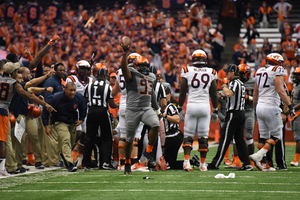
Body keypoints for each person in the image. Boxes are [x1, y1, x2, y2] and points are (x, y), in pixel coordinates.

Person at [0, 61, 55, 176]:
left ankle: (15, 164)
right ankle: (8, 167)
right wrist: (45, 104)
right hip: (6, 113)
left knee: (16, 141)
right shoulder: (15, 84)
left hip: (13, 115)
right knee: (6, 141)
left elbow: (31, 87)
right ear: (13, 73)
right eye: (17, 73)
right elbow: (28, 94)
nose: (20, 77)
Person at [120, 41, 161, 174]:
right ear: (136, 66)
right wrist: (125, 53)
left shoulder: (151, 76)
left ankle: (148, 151)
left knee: (155, 125)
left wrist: (157, 108)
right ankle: (127, 162)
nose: (144, 68)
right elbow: (124, 68)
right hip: (132, 110)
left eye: (146, 66)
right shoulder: (131, 74)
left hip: (146, 108)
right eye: (141, 66)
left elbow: (152, 93)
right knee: (130, 139)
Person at [249, 53, 295, 171]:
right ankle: (259, 156)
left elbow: (255, 93)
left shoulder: (259, 71)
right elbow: (280, 91)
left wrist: (255, 108)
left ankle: (264, 164)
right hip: (271, 106)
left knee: (263, 137)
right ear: (276, 62)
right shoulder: (276, 70)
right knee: (277, 135)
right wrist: (290, 106)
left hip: (260, 106)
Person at [178, 49, 219, 172]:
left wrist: (180, 107)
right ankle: (202, 164)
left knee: (188, 136)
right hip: (205, 107)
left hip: (191, 105)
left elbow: (182, 91)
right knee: (203, 137)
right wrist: (216, 109)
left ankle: (186, 162)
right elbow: (214, 94)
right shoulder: (211, 71)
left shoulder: (187, 70)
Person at [207, 64, 253, 171]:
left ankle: (215, 163)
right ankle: (247, 164)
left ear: (233, 72)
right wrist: (222, 95)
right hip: (240, 114)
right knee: (240, 140)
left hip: (234, 114)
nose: (226, 73)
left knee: (224, 139)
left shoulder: (233, 82)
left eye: (227, 72)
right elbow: (231, 96)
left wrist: (224, 86)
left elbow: (229, 93)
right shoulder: (240, 83)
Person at [111, 53, 148, 172]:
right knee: (135, 137)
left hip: (122, 105)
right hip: (134, 105)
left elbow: (114, 92)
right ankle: (133, 163)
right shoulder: (137, 72)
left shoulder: (119, 72)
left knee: (123, 135)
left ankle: (121, 164)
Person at [42, 82, 87, 172]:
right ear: (65, 90)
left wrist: (81, 119)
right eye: (70, 90)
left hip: (72, 123)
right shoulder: (55, 98)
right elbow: (45, 111)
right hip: (60, 122)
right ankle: (70, 164)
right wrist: (46, 125)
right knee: (66, 140)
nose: (72, 92)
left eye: (74, 90)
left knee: (70, 142)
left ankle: (64, 155)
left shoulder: (78, 97)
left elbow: (83, 107)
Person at [82, 68, 118, 170]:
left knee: (89, 138)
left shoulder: (89, 85)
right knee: (107, 137)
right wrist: (117, 105)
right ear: (105, 76)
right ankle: (106, 162)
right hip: (102, 111)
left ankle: (86, 163)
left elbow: (85, 99)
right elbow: (111, 103)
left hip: (91, 111)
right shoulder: (107, 86)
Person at [66, 60, 93, 168]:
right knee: (77, 133)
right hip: (74, 108)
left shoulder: (91, 80)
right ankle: (70, 153)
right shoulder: (71, 79)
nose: (85, 71)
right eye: (83, 69)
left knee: (85, 135)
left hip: (86, 108)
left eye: (87, 69)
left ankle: (80, 157)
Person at [288, 67, 300, 167]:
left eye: (297, 75)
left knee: (298, 137)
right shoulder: (296, 85)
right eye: (294, 74)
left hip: (299, 113)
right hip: (294, 113)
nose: (295, 76)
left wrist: (293, 109)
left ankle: (296, 160)